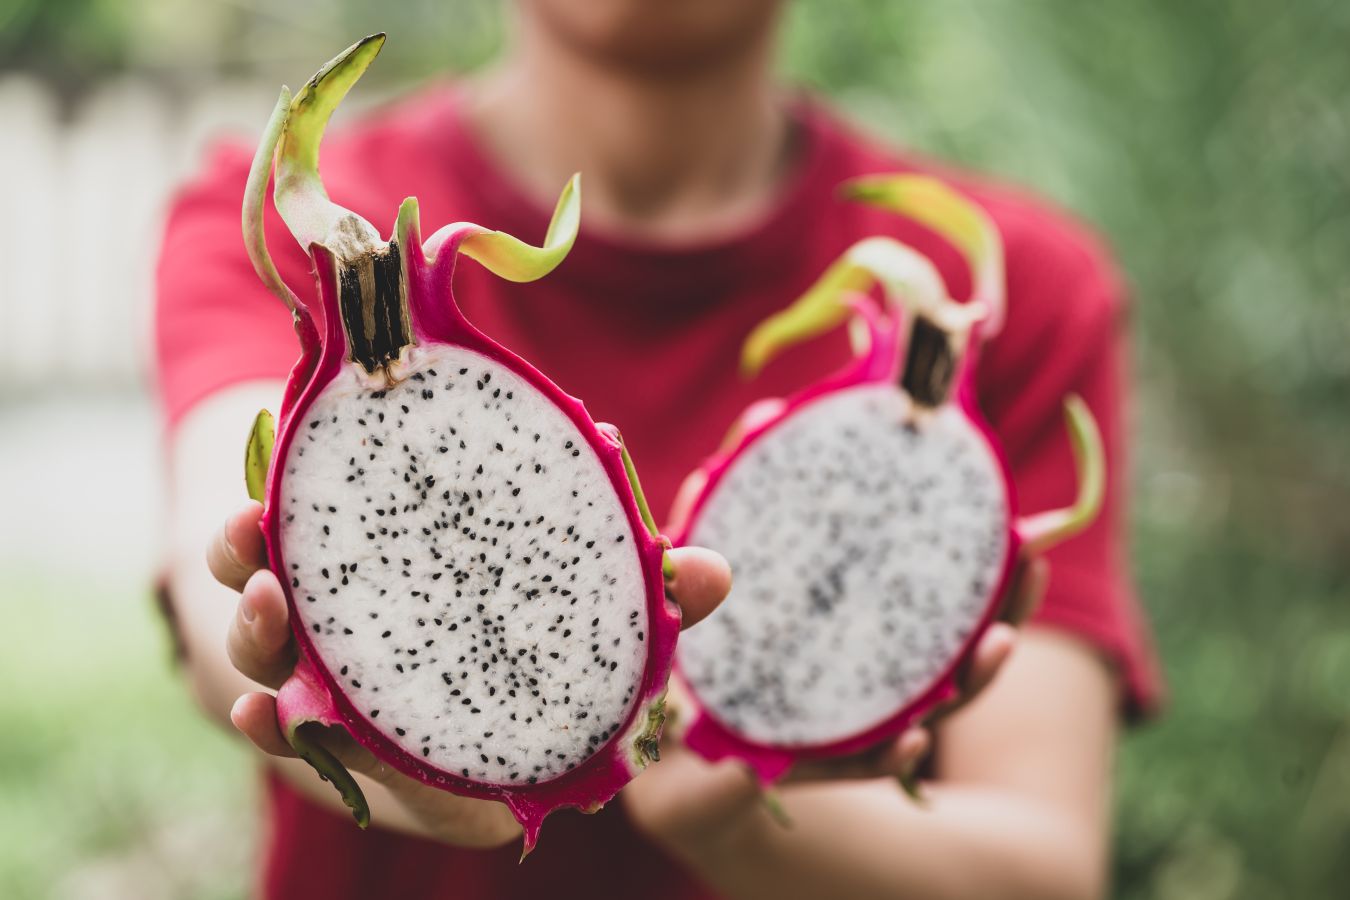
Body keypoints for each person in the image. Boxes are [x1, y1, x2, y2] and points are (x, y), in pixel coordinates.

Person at [156, 2, 1160, 897]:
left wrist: (730, 826)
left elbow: (1043, 864)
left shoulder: (1011, 298)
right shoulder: (284, 234)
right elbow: (225, 596)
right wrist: (427, 763)